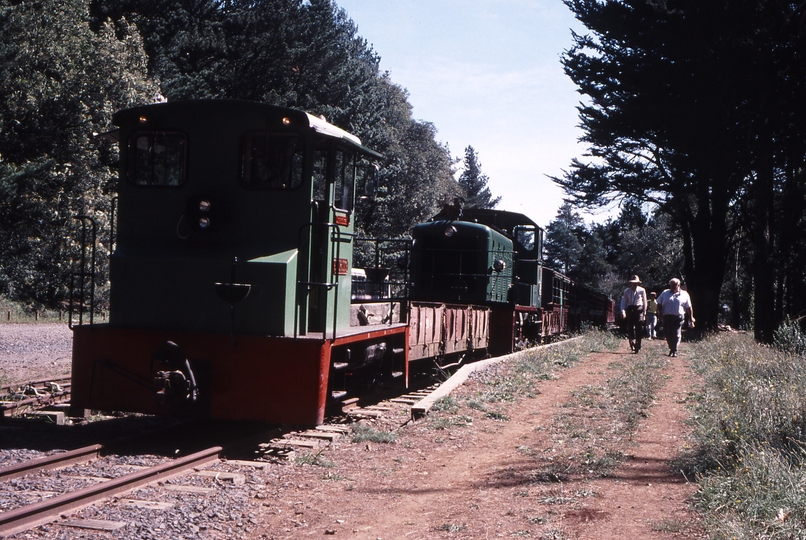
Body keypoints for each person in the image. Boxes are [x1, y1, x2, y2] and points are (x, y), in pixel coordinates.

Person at [656, 278, 695, 357]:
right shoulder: (665, 293)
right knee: (668, 334)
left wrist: (691, 318)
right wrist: (659, 311)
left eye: (674, 285)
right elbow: (659, 302)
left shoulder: (684, 294)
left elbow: (689, 307)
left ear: (679, 285)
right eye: (671, 285)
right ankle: (672, 348)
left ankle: (675, 349)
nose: (673, 286)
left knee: (676, 334)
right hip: (666, 317)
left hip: (678, 317)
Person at [620, 275, 647, 353]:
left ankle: (638, 344)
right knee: (630, 327)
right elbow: (624, 301)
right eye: (633, 283)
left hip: (639, 309)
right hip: (630, 309)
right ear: (631, 283)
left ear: (638, 283)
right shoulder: (627, 291)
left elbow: (644, 302)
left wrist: (644, 313)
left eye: (636, 283)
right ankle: (632, 343)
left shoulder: (642, 290)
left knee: (639, 328)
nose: (634, 284)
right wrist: (623, 311)